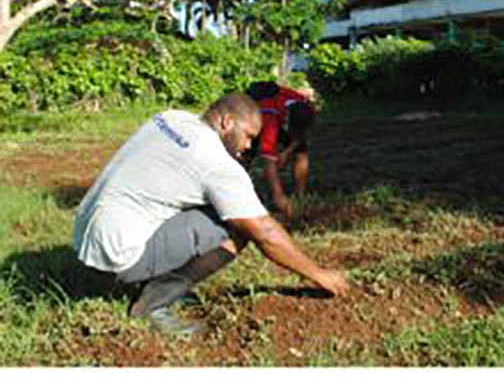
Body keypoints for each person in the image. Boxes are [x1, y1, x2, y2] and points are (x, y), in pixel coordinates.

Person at [72, 93, 348, 335]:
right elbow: (264, 231)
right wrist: (318, 273)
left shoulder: (171, 117)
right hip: (116, 254)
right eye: (249, 136)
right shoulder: (217, 164)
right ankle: (154, 304)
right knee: (238, 228)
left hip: (85, 232)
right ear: (227, 122)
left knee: (214, 205)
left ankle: (148, 277)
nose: (249, 146)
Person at [245, 81, 316, 220]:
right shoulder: (269, 118)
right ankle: (241, 190)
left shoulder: (305, 106)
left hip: (280, 112)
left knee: (301, 152)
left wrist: (286, 152)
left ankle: (300, 195)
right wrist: (278, 194)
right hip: (255, 111)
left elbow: (301, 135)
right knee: (247, 153)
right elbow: (268, 159)